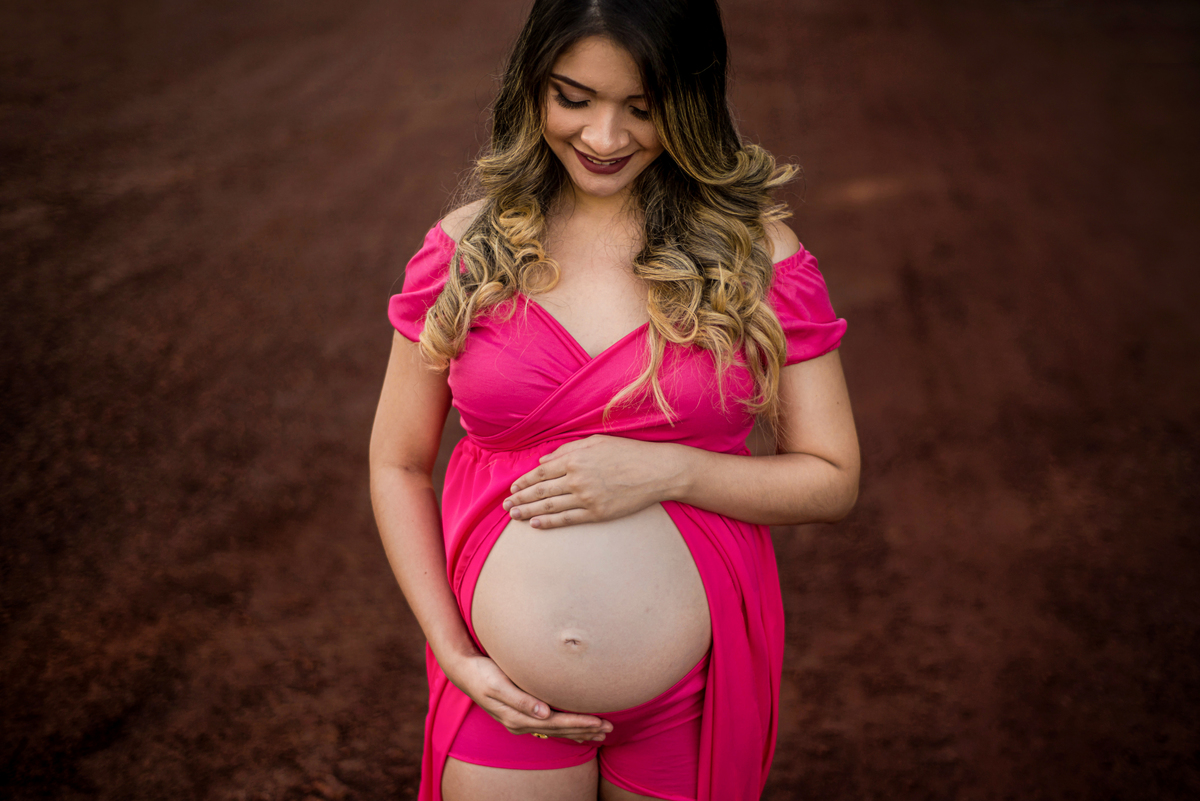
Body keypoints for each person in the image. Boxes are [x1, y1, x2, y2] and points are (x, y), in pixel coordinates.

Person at [369, 0, 859, 798]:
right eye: (575, 98)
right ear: (532, 89)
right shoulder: (466, 248)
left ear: (692, 100)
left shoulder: (756, 256)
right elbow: (395, 461)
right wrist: (453, 652)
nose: (603, 138)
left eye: (643, 107)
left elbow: (833, 474)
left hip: (693, 694)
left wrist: (667, 472)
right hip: (500, 689)